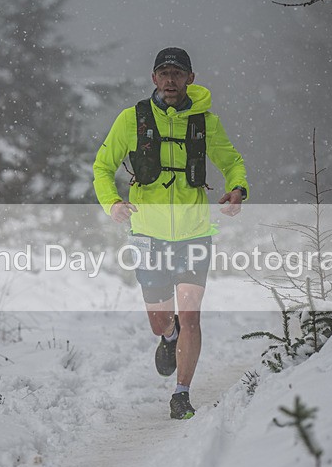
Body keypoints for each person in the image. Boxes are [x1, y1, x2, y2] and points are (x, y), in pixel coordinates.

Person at [93, 47, 249, 419]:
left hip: (195, 232)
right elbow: (102, 167)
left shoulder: (204, 122)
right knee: (160, 320)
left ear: (190, 79)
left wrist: (238, 189)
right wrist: (112, 203)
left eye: (178, 73)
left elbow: (233, 162)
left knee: (191, 315)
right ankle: (168, 335)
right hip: (148, 233)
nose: (170, 80)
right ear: (153, 79)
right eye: (164, 72)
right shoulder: (132, 119)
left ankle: (181, 393)